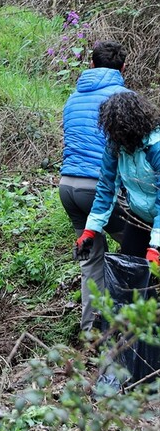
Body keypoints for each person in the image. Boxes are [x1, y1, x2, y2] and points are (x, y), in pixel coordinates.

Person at [60, 40, 129, 332]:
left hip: (68, 189)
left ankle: (90, 332)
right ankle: (128, 328)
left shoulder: (72, 98)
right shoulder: (124, 98)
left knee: (90, 262)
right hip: (98, 190)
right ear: (123, 67)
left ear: (90, 64)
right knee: (136, 249)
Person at [78, 91, 160, 263]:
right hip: (140, 216)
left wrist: (156, 245)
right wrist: (90, 230)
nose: (117, 138)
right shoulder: (116, 146)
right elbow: (106, 188)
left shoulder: (155, 148)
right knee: (129, 268)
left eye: (122, 132)